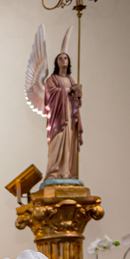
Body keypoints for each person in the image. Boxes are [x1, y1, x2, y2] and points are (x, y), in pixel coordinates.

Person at [45, 51, 82, 181]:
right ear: (56, 62)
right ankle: (53, 173)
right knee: (58, 141)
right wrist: (68, 90)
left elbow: (77, 103)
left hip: (70, 118)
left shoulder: (71, 80)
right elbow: (51, 93)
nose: (63, 60)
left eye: (65, 58)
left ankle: (66, 172)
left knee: (69, 144)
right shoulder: (52, 80)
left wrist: (77, 93)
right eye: (60, 58)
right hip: (58, 118)